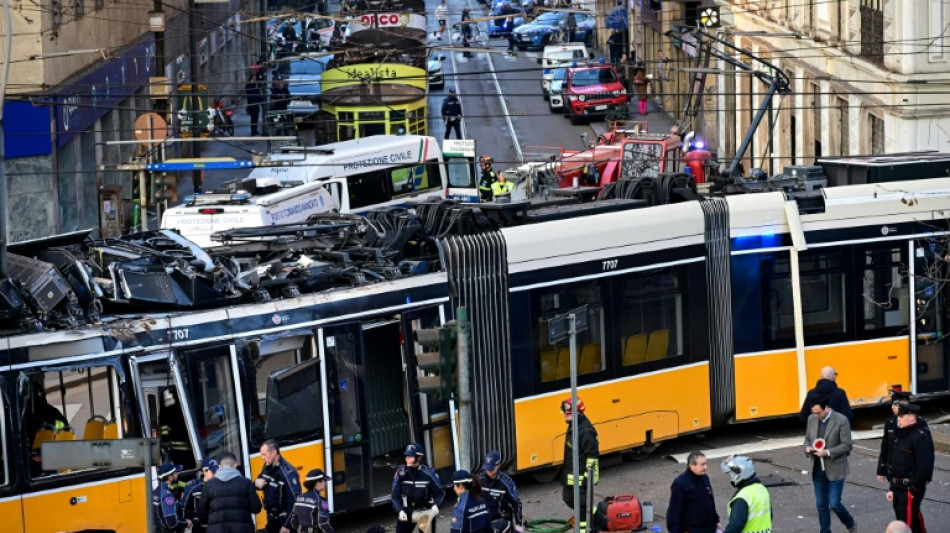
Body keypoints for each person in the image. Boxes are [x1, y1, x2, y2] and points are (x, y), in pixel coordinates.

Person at [804, 396, 857, 533]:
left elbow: (847, 445)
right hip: (817, 467)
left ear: (826, 408)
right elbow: (807, 439)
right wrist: (807, 448)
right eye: (814, 413)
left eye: (818, 413)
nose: (816, 416)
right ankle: (825, 531)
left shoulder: (841, 420)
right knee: (821, 504)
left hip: (835, 467)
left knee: (834, 503)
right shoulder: (811, 419)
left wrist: (827, 452)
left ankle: (850, 523)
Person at [883, 402, 934, 533]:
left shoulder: (919, 436)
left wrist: (914, 490)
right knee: (909, 520)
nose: (898, 418)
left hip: (909, 489)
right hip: (898, 487)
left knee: (906, 524)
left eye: (901, 416)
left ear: (911, 417)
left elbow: (924, 467)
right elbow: (896, 463)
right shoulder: (901, 433)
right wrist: (892, 488)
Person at [198, 452, 263, 533]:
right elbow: (256, 508)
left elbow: (201, 512)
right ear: (235, 466)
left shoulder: (208, 486)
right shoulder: (246, 483)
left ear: (219, 467)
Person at [560, 397, 599, 533]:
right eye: (565, 412)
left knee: (581, 506)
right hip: (572, 475)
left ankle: (583, 530)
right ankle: (598, 516)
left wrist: (588, 479)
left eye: (569, 412)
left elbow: (592, 457)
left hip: (583, 477)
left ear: (579, 412)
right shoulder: (574, 426)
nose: (566, 414)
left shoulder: (585, 431)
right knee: (569, 499)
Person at [392, 443, 446, 533]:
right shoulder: (401, 472)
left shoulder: (429, 473)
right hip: (406, 511)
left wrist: (436, 505)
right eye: (406, 455)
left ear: (419, 457)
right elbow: (395, 495)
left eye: (410, 455)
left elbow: (440, 493)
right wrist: (400, 510)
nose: (407, 458)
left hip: (425, 511)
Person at [666, 451, 720, 533]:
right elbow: (674, 512)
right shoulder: (680, 484)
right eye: (702, 464)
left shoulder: (705, 478)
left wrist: (716, 520)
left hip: (709, 528)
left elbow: (710, 501)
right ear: (692, 466)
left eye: (705, 463)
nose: (706, 467)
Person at [256, 439, 302, 533]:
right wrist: (256, 483)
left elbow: (295, 501)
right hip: (271, 520)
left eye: (264, 454)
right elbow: (259, 481)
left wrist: (287, 526)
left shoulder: (288, 472)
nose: (262, 458)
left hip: (284, 521)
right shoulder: (266, 468)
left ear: (273, 453)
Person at [719, 455, 771, 533]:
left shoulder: (742, 498)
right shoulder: (762, 489)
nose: (730, 477)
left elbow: (735, 527)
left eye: (731, 474)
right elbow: (769, 516)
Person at [477, 450, 523, 532]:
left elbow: (516, 503)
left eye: (491, 468)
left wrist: (519, 525)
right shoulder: (479, 480)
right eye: (487, 468)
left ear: (498, 465)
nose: (489, 471)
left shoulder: (507, 483)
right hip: (484, 520)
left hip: (502, 521)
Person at [878, 389, 915, 483]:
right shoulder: (890, 421)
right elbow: (885, 446)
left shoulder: (915, 423)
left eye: (895, 405)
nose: (892, 407)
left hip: (909, 472)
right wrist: (881, 470)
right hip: (893, 471)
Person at [291, 468, 334, 533]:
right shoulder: (321, 500)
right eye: (324, 480)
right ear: (317, 483)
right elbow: (323, 524)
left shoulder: (299, 498)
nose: (325, 483)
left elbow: (294, 520)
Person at [183, 458, 219, 533]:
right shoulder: (192, 487)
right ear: (205, 471)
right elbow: (183, 506)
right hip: (197, 527)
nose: (216, 474)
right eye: (214, 471)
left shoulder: (220, 484)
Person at [154, 461, 189, 533]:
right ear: (170, 477)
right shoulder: (167, 496)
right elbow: (172, 523)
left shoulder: (157, 490)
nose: (177, 474)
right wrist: (187, 523)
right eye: (175, 473)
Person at [245, 72, 265, 136]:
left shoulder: (257, 85)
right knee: (253, 118)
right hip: (251, 104)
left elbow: (259, 93)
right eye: (253, 79)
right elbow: (248, 92)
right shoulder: (248, 85)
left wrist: (261, 101)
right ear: (251, 79)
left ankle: (255, 130)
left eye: (255, 78)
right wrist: (252, 84)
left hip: (257, 104)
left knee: (256, 118)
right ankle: (253, 131)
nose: (254, 80)